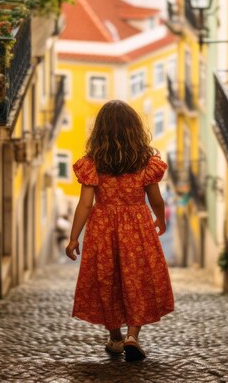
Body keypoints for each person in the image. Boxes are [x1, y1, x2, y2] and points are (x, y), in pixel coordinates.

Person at [65, 100, 174, 362]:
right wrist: (160, 218)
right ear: (134, 129)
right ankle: (132, 336)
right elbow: (155, 199)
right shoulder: (145, 162)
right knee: (136, 277)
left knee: (106, 279)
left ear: (99, 131)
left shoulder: (92, 163)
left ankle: (115, 337)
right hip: (137, 226)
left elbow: (85, 203)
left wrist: (73, 237)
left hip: (102, 228)